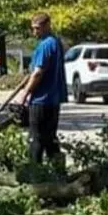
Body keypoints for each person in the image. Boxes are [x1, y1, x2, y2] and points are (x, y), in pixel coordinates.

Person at [16, 12, 67, 164]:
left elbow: (38, 73)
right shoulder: (56, 42)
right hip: (54, 100)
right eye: (33, 28)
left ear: (47, 25)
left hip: (41, 100)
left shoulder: (45, 45)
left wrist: (23, 95)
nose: (34, 32)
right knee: (50, 139)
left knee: (35, 139)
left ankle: (35, 174)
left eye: (37, 28)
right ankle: (57, 173)